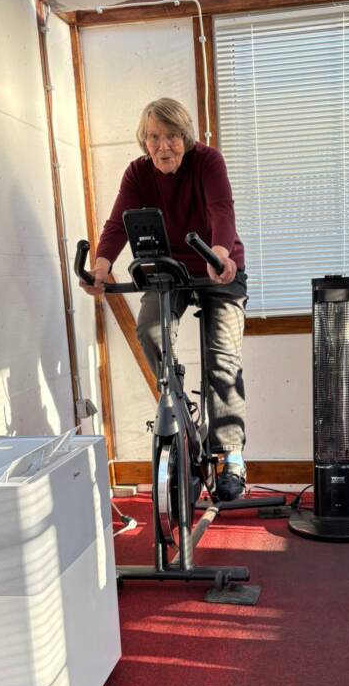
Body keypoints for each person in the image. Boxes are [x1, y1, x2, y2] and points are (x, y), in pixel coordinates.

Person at [81, 98, 249, 501]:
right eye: (154, 137)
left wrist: (220, 254)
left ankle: (232, 457)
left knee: (223, 357)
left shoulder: (208, 162)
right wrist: (101, 266)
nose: (163, 146)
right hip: (169, 268)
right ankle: (178, 404)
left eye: (171, 136)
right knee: (150, 329)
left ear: (185, 137)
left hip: (217, 265)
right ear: (144, 140)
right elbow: (116, 225)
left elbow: (221, 210)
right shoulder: (138, 173)